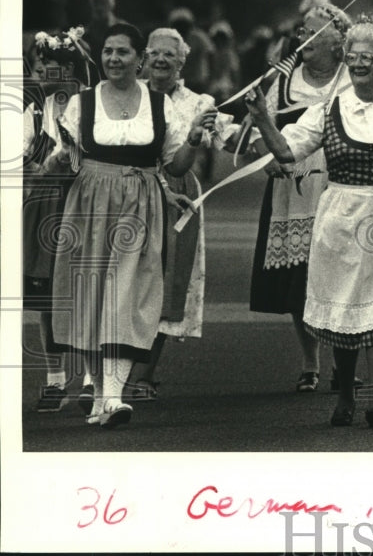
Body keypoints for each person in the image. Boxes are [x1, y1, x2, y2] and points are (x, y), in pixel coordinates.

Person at [244, 14, 373, 429]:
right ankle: (344, 395)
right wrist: (264, 119)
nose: (358, 64)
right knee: (343, 312)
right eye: (352, 57)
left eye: (367, 57)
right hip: (341, 214)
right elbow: (287, 153)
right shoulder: (328, 110)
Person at [48, 23, 216, 428]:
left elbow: (174, 164)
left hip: (140, 206)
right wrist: (57, 157)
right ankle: (101, 395)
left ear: (138, 59)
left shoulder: (159, 105)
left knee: (128, 295)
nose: (113, 59)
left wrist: (193, 139)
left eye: (122, 52)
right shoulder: (82, 104)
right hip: (89, 203)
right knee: (90, 298)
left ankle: (113, 396)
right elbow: (62, 160)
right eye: (108, 51)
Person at [247, 3, 353, 393]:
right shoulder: (285, 77)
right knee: (299, 281)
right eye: (300, 31)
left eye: (311, 31)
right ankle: (311, 362)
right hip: (294, 187)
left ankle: (346, 359)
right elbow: (257, 125)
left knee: (341, 275)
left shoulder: (351, 75)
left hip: (341, 184)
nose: (300, 38)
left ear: (337, 40)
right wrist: (263, 157)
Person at [125, 27, 226, 401]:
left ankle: (143, 376)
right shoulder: (126, 95)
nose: (162, 60)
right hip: (129, 194)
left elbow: (227, 136)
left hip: (179, 198)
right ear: (144, 59)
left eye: (171, 54)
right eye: (155, 54)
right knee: (127, 284)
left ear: (183, 61)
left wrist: (269, 145)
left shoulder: (199, 102)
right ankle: (114, 374)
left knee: (168, 286)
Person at [22, 27, 92, 412]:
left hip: (85, 202)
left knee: (87, 287)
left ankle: (91, 377)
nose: (39, 70)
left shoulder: (94, 106)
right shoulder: (35, 112)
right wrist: (37, 164)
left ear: (68, 67)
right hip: (45, 205)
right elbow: (19, 160)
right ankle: (53, 377)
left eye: (46, 63)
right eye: (39, 63)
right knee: (46, 294)